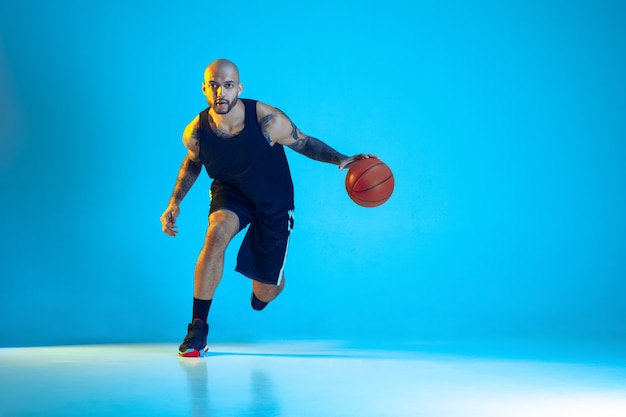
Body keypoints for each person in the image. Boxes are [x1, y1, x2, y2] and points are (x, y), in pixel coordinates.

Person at [160, 59, 370, 357]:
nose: (222, 92)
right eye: (215, 85)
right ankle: (197, 328)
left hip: (273, 201)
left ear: (239, 88)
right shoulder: (196, 131)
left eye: (229, 85)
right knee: (215, 235)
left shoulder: (267, 121)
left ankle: (270, 279)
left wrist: (341, 159)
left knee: (264, 293)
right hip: (231, 193)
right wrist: (174, 202)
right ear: (205, 89)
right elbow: (194, 159)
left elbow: (304, 142)